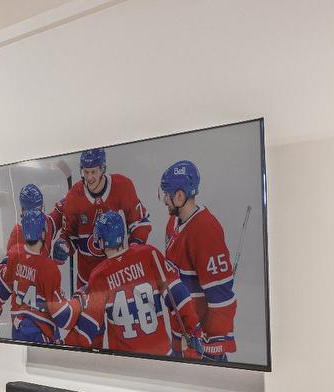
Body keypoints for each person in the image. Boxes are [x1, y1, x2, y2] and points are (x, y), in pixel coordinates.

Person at [68, 210, 200, 356]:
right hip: (162, 356)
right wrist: (193, 331)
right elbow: (179, 295)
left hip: (126, 362)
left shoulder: (99, 275)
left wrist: (63, 344)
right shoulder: (149, 254)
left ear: (100, 241)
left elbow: (88, 327)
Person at [160, 160, 237, 360]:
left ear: (179, 196)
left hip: (201, 345)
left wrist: (213, 344)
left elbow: (221, 296)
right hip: (182, 334)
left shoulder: (205, 230)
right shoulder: (173, 222)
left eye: (166, 194)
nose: (164, 200)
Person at [49, 148, 150, 291]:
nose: (89, 178)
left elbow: (139, 223)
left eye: (93, 172)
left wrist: (132, 253)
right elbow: (69, 236)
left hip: (117, 276)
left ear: (103, 169)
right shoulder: (74, 195)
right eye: (85, 172)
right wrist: (62, 246)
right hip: (87, 280)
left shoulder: (122, 186)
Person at [0, 205, 77, 343]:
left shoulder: (14, 255)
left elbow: (3, 285)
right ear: (43, 234)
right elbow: (63, 317)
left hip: (18, 329)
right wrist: (78, 303)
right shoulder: (49, 268)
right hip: (41, 333)